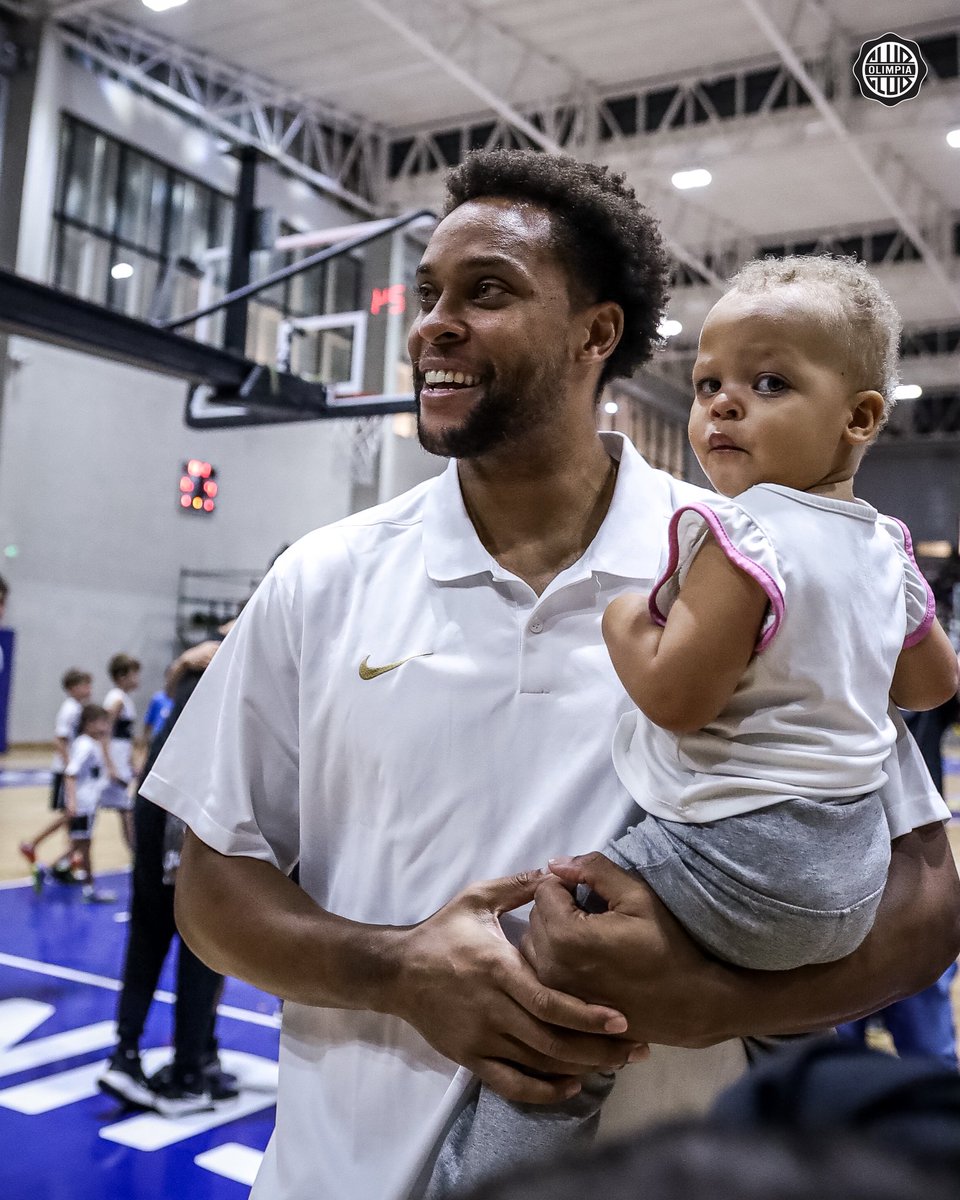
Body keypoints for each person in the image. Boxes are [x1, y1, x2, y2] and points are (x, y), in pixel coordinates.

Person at [141, 149, 960, 1200]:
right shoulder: (320, 577)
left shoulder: (757, 552)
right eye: (430, 292)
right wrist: (398, 969)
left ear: (597, 334)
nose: (434, 322)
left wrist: (715, 998)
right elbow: (212, 890)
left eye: (486, 292)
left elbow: (928, 895)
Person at [428, 255, 960, 1193]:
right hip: (845, 878)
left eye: (768, 384)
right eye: (710, 384)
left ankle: (488, 1183)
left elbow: (676, 697)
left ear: (862, 418)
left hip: (738, 859)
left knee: (557, 999)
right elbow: (929, 684)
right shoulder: (886, 547)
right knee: (787, 1049)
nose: (721, 406)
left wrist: (623, 619)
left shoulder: (738, 533)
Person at [99, 639, 239, 1116]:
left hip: (154, 807)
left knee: (149, 937)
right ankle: (189, 1071)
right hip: (188, 816)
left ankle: (129, 1053)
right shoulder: (241, 656)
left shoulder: (198, 664)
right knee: (204, 946)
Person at [19, 667, 93, 887]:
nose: (89, 689)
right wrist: (70, 764)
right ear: (72, 688)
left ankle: (68, 862)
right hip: (65, 771)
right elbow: (59, 739)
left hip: (69, 769)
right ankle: (33, 843)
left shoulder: (77, 708)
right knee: (72, 814)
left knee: (73, 818)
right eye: (84, 684)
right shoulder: (70, 710)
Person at [61, 703, 115, 904]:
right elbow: (71, 773)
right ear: (89, 723)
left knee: (80, 844)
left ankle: (55, 868)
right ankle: (89, 887)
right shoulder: (85, 745)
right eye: (101, 722)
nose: (105, 726)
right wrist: (73, 802)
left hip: (90, 803)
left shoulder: (93, 743)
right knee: (84, 846)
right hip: (83, 804)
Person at [101, 653, 141, 848]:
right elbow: (104, 732)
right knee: (126, 809)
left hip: (121, 757)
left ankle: (134, 852)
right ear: (122, 676)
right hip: (115, 758)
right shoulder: (116, 700)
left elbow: (128, 737)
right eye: (134, 674)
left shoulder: (124, 699)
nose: (138, 679)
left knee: (126, 809)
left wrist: (132, 762)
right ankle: (135, 852)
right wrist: (110, 764)